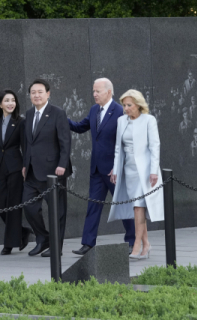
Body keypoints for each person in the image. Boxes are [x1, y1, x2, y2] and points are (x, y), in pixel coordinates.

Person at [68, 78, 135, 255]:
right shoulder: (94, 110)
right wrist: (62, 119)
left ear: (109, 92)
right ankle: (88, 244)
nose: (94, 94)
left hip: (114, 170)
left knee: (123, 205)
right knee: (93, 206)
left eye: (98, 91)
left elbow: (128, 142)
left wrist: (118, 166)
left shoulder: (120, 111)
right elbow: (80, 127)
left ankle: (132, 241)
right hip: (97, 170)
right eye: (93, 91)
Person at [109, 89, 164, 259]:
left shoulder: (149, 120)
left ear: (138, 105)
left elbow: (155, 146)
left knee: (139, 207)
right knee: (136, 208)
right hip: (129, 171)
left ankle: (136, 246)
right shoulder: (121, 121)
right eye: (124, 105)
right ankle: (146, 245)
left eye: (129, 105)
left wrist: (154, 171)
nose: (125, 108)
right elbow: (118, 148)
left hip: (145, 171)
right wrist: (116, 170)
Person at [22, 79, 72, 257]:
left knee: (57, 212)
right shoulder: (28, 114)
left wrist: (62, 165)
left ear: (48, 94)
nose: (36, 95)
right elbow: (28, 142)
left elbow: (65, 141)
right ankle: (43, 238)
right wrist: (24, 164)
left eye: (40, 92)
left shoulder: (58, 113)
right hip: (32, 171)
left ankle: (56, 247)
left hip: (53, 171)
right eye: (33, 92)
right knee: (29, 207)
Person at [0, 89, 32, 255]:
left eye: (13, 100)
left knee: (13, 205)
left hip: (16, 168)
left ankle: (9, 244)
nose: (11, 103)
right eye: (7, 100)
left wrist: (26, 166)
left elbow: (26, 147)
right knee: (0, 205)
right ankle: (22, 232)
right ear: (0, 104)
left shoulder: (21, 121)